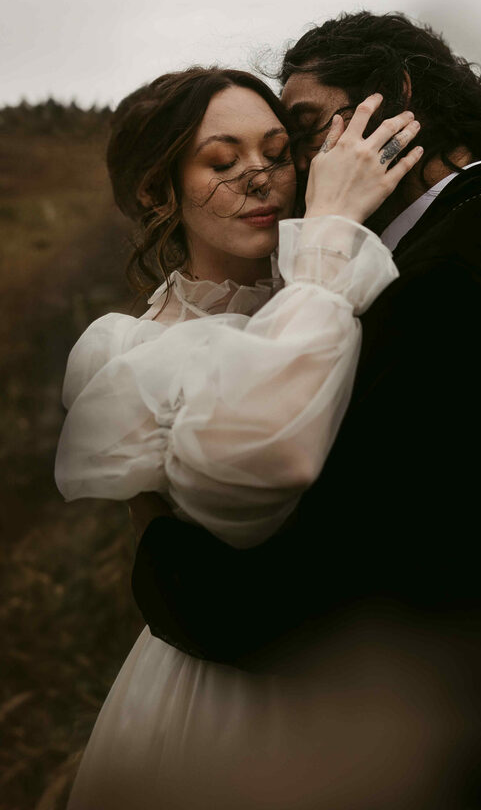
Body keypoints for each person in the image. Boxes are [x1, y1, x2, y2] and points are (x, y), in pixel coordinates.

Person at [130, 12, 481, 808]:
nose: (296, 170)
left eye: (303, 132)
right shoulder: (448, 240)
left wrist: (159, 567)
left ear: (400, 95)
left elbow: (336, 581)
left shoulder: (457, 277)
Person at [54, 65, 424, 808]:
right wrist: (328, 246)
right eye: (222, 162)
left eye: (278, 153)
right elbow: (251, 487)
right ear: (159, 192)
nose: (260, 177)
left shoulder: (365, 287)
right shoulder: (123, 348)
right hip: (224, 700)